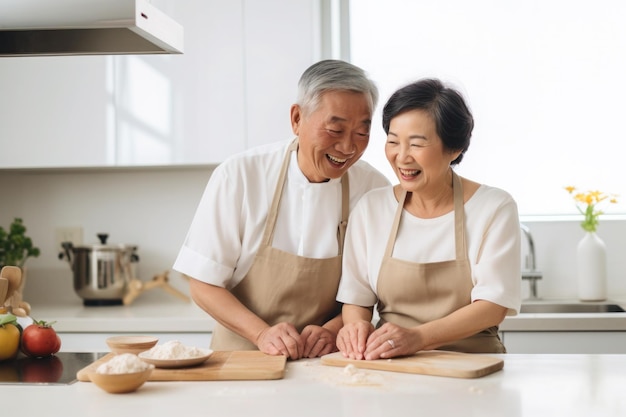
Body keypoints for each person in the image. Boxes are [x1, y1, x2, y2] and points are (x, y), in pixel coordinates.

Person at [173, 59, 390, 360]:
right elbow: (202, 282)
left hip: (328, 362)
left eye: (361, 133)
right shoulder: (240, 175)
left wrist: (333, 329)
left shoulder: (373, 188)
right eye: (335, 129)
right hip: (242, 360)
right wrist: (261, 334)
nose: (347, 147)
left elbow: (371, 290)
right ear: (297, 118)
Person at [335, 78, 521, 360]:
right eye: (393, 142)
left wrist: (418, 338)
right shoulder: (371, 208)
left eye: (417, 144)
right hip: (392, 367)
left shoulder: (493, 207)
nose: (402, 157)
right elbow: (356, 299)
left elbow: (493, 305)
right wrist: (356, 327)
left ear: (454, 149)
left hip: (474, 367)